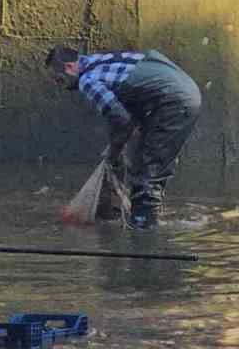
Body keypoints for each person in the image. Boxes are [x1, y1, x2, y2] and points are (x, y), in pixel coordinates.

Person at [45, 45, 203, 229]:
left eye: (59, 79)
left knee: (148, 168)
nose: (60, 85)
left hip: (173, 101)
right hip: (186, 92)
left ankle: (142, 229)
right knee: (151, 161)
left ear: (70, 67)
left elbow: (119, 117)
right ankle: (148, 213)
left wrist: (114, 151)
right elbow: (127, 111)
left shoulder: (87, 80)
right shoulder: (105, 61)